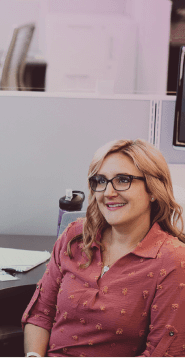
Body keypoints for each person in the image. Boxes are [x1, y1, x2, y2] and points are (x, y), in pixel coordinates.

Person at [22, 139, 185, 357]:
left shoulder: (172, 259)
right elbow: (40, 314)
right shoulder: (76, 236)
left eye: (123, 180)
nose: (108, 192)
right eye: (101, 181)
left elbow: (162, 353)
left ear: (153, 190)